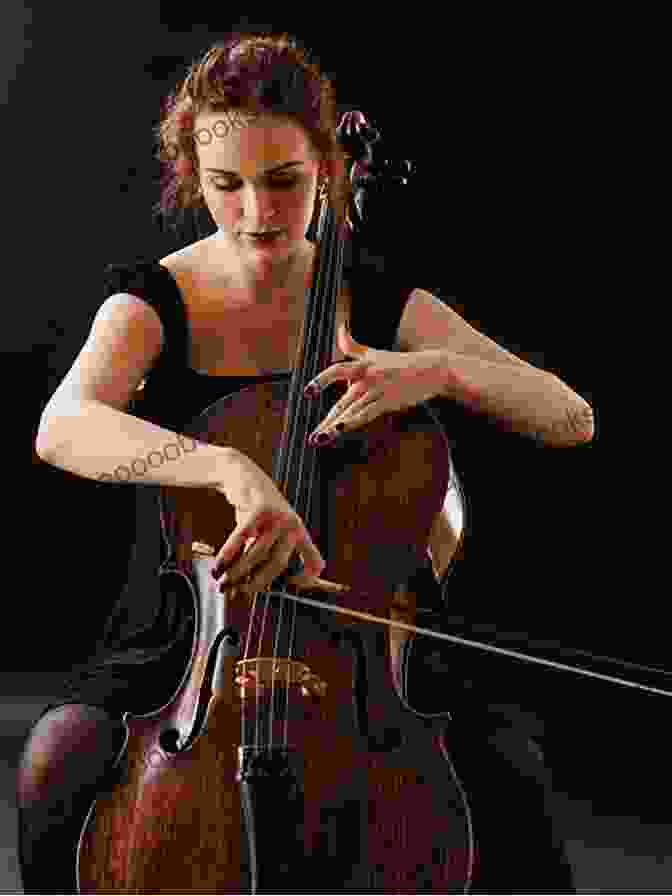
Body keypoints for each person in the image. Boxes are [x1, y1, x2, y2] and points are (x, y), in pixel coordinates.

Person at [19, 30, 589, 893]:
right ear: (194, 178)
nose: (255, 213)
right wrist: (230, 471)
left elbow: (570, 417)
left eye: (284, 182)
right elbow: (62, 424)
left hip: (367, 658)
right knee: (57, 759)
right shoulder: (154, 300)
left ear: (327, 165)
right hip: (193, 637)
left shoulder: (384, 300)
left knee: (510, 772)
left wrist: (434, 369)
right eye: (227, 186)